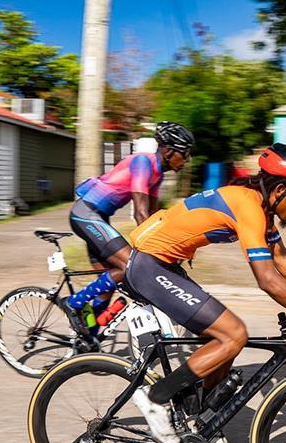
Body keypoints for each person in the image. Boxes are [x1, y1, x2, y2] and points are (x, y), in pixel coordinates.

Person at [124, 143, 286, 443]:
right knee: (233, 333)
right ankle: (157, 398)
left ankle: (204, 424)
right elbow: (268, 279)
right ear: (280, 189)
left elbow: (282, 258)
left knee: (224, 339)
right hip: (150, 266)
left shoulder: (260, 210)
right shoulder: (248, 206)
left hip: (165, 265)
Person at [59, 122, 194, 331]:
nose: (187, 159)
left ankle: (89, 334)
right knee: (128, 266)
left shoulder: (157, 173)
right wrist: (159, 247)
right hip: (86, 214)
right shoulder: (143, 162)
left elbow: (153, 217)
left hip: (99, 217)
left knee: (109, 279)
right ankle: (74, 302)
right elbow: (140, 212)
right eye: (185, 153)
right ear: (168, 151)